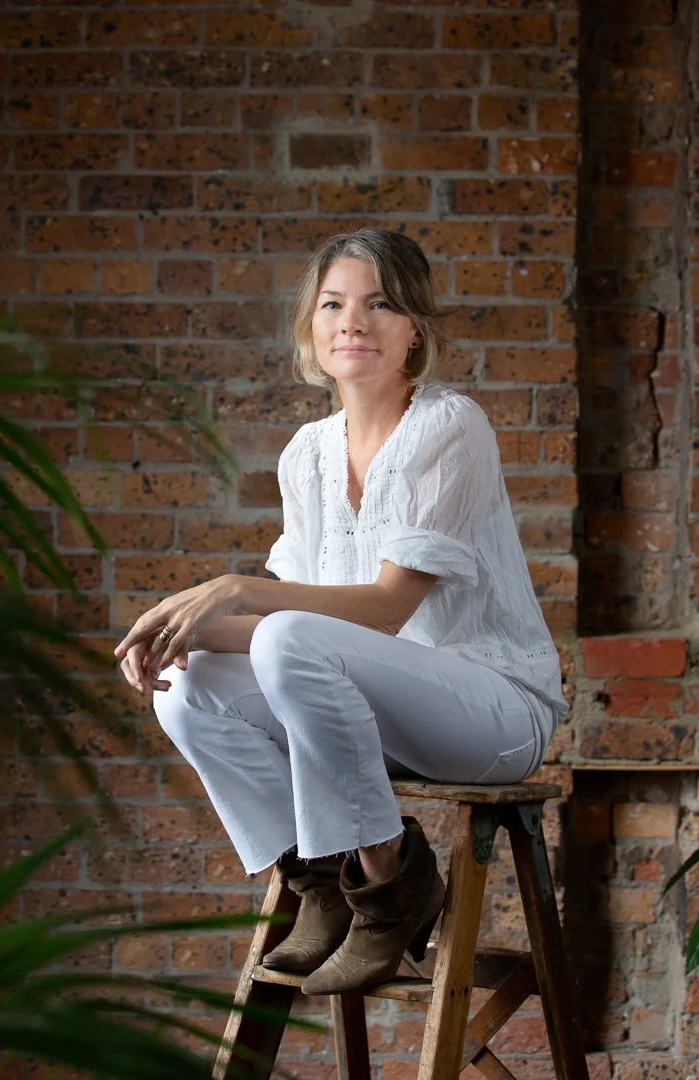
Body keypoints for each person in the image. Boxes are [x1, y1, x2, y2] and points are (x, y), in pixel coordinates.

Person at [115, 228, 568, 996]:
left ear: (414, 329)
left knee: (287, 633)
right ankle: (320, 882)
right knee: (188, 687)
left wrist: (237, 588)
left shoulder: (449, 426)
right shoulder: (307, 453)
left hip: (492, 711)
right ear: (312, 328)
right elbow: (281, 640)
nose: (353, 322)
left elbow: (386, 609)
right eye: (333, 304)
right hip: (370, 713)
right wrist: (176, 635)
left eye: (380, 304)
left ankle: (391, 883)